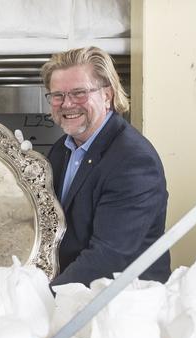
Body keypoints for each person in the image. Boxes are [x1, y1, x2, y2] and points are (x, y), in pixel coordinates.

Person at [42, 46, 170, 287]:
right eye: (57, 95)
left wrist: (42, 297)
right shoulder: (62, 149)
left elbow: (108, 257)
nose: (67, 104)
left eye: (79, 93)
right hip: (77, 289)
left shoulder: (133, 161)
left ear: (107, 95)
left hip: (123, 301)